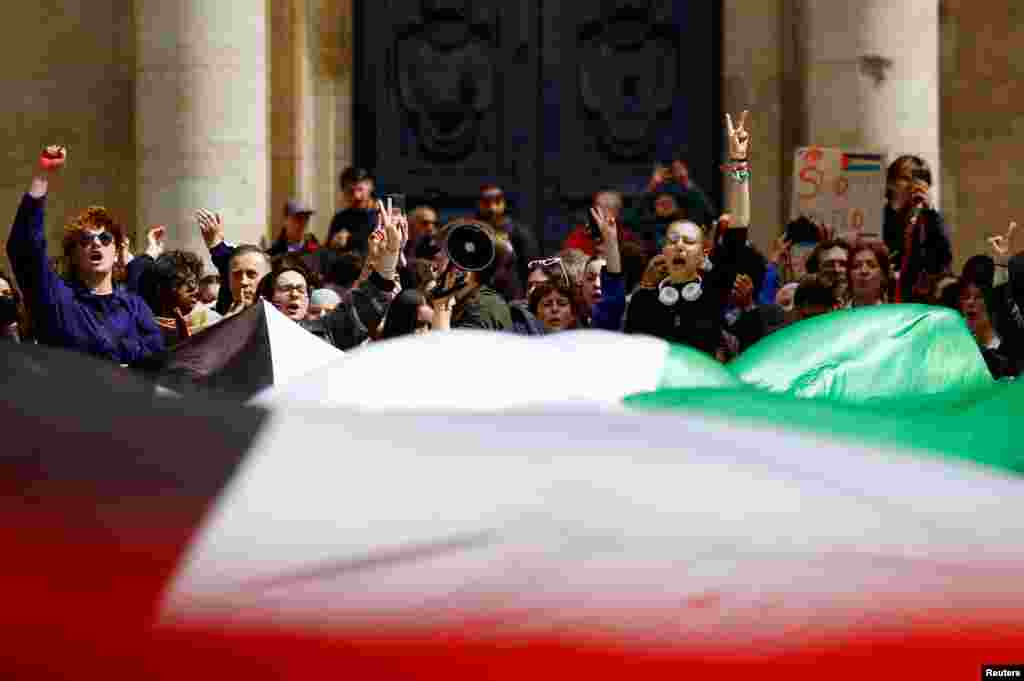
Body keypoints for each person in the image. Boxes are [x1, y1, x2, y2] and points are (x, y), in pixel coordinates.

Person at [6, 145, 163, 364]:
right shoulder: (57, 299)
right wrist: (42, 176)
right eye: (85, 240)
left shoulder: (135, 306)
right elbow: (25, 249)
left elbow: (156, 357)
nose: (96, 243)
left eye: (105, 239)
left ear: (117, 252)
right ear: (73, 254)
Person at [625, 111, 753, 358]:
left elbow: (739, 225)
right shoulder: (643, 302)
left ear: (703, 252)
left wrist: (739, 163)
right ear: (663, 251)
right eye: (673, 241)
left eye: (689, 240)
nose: (680, 246)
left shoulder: (714, 289)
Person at [882, 155, 953, 303]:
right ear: (890, 183)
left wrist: (930, 214)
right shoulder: (878, 216)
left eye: (921, 180)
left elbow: (943, 261)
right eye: (906, 179)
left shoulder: (930, 219)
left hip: (919, 301)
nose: (913, 185)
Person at [429, 219, 513, 331]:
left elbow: (443, 348)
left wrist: (441, 306)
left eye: (445, 250)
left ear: (467, 262)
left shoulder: (484, 309)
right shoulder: (459, 300)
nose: (437, 255)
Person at [141, 250, 222, 346]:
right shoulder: (150, 333)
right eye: (189, 284)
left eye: (196, 282)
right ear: (167, 286)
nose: (196, 291)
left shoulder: (181, 323)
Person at [475, 184, 539, 300]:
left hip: (512, 298)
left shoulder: (519, 233)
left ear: (504, 202)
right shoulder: (473, 232)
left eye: (497, 201)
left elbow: (530, 268)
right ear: (479, 204)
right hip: (481, 297)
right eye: (486, 202)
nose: (492, 208)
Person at [578, 205, 627, 330]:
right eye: (590, 278)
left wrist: (610, 241)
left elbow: (613, 286)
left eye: (603, 278)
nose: (597, 284)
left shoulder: (612, 320)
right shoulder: (570, 323)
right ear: (580, 285)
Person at [957, 278, 1018, 378]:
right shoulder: (955, 336)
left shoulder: (1008, 349)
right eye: (966, 297)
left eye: (978, 297)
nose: (970, 302)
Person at [645, 154, 717, 230]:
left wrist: (686, 181)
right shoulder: (652, 198)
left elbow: (709, 214)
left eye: (674, 170)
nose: (668, 174)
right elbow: (635, 218)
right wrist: (653, 185)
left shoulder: (686, 197)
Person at [561, 189, 640, 257]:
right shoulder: (577, 237)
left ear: (618, 212)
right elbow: (569, 265)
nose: (606, 212)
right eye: (601, 207)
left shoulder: (628, 239)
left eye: (612, 208)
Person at [326, 167, 378, 255]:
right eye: (350, 191)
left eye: (360, 190)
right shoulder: (340, 218)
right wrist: (333, 244)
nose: (356, 196)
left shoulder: (382, 216)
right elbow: (327, 251)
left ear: (371, 186)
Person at [804, 238, 851, 307]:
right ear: (815, 271)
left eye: (843, 264)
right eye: (829, 265)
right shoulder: (805, 303)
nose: (837, 270)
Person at [847, 240, 890, 308]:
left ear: (883, 275)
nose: (863, 271)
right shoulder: (836, 316)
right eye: (856, 266)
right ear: (849, 275)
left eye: (872, 266)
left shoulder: (893, 316)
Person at [0, 270, 26, 342]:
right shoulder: (4, 281)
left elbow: (9, 296)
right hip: (10, 315)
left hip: (8, 315)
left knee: (12, 333)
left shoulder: (2, 282)